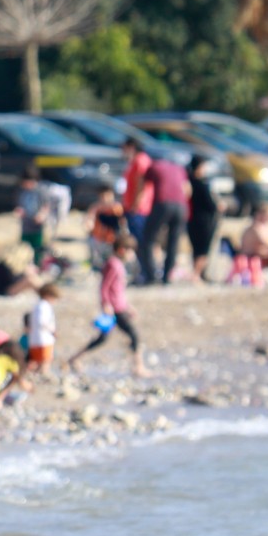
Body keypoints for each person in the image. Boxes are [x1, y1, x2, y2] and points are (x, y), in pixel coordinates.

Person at [69, 233, 148, 376]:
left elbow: (118, 291)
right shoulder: (113, 264)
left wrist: (128, 307)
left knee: (103, 338)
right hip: (114, 309)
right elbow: (104, 287)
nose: (132, 255)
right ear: (122, 250)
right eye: (131, 251)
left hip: (120, 306)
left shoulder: (118, 264)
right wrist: (106, 304)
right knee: (134, 335)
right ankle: (138, 366)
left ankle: (75, 358)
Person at [142, 151, 190, 285]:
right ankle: (167, 277)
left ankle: (151, 275)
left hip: (163, 203)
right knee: (173, 242)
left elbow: (142, 185)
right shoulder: (179, 168)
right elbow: (187, 190)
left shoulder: (154, 166)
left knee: (147, 238)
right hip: (181, 206)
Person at [119, 138, 154, 277]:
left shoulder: (140, 160)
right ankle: (144, 271)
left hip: (139, 209)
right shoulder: (137, 160)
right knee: (138, 241)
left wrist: (135, 204)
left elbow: (141, 184)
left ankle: (146, 272)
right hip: (135, 207)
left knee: (140, 241)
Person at [186, 155, 221, 283]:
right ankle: (196, 274)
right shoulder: (202, 184)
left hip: (191, 218)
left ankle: (198, 273)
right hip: (205, 220)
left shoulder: (188, 181)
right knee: (204, 248)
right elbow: (211, 205)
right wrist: (220, 206)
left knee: (196, 248)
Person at [15, 172, 52, 259]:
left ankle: (37, 265)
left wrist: (42, 215)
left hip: (37, 226)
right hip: (26, 225)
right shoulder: (22, 192)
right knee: (24, 247)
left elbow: (46, 205)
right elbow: (19, 205)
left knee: (37, 247)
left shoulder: (40, 191)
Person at [25, 282, 59, 375]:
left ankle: (34, 375)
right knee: (45, 361)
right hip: (44, 340)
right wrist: (53, 331)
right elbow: (42, 322)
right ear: (47, 295)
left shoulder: (37, 305)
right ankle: (44, 375)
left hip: (34, 339)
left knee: (35, 361)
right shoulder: (44, 306)